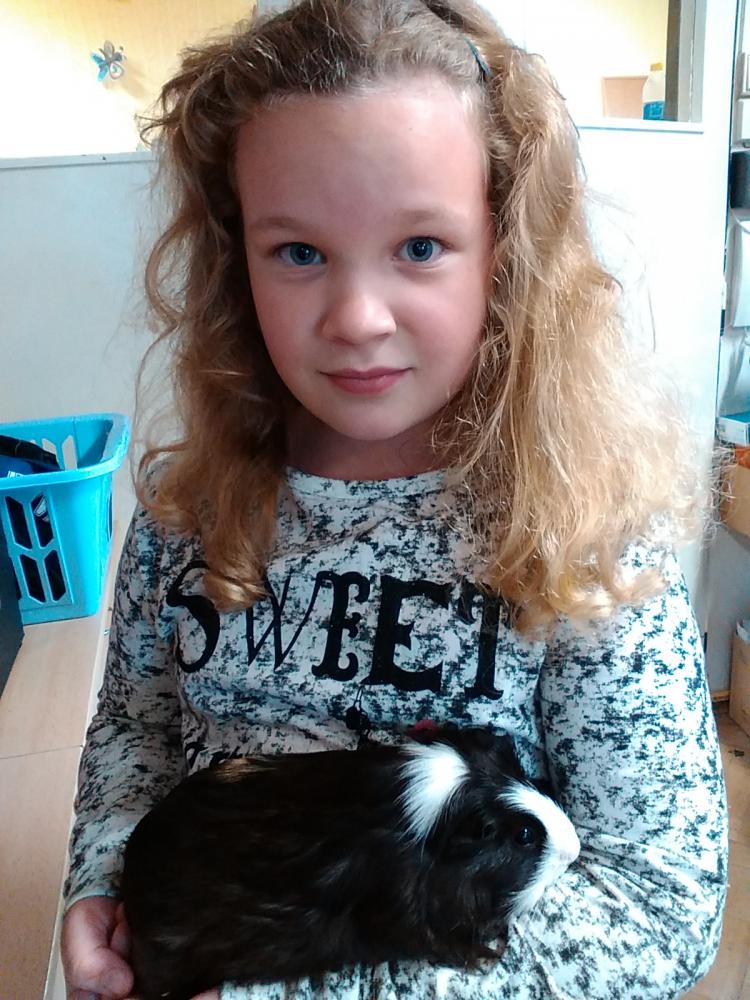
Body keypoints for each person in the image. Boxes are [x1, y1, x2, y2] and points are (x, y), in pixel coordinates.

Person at [60, 1, 728, 998]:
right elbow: (135, 733)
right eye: (299, 253)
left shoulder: (590, 539)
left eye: (419, 246)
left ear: (505, 252)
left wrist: (303, 989)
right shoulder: (184, 512)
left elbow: (657, 903)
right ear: (237, 262)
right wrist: (103, 882)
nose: (357, 318)